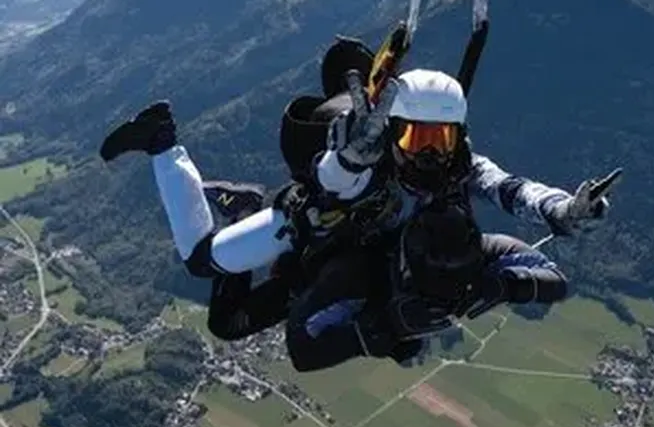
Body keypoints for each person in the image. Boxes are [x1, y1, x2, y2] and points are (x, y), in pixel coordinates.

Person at [99, 60, 619, 372]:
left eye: (442, 139)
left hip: (352, 267)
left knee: (228, 323)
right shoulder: (367, 157)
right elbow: (333, 180)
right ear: (394, 131)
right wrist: (352, 157)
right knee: (201, 260)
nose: (431, 154)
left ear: (459, 135)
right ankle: (164, 143)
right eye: (419, 138)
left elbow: (510, 190)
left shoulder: (462, 167)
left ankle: (234, 200)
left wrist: (561, 208)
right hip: (305, 233)